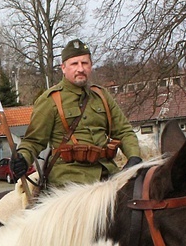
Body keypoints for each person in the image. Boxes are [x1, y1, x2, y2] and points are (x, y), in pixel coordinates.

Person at [10, 39, 141, 186]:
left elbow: (124, 131)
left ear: (90, 66)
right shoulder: (51, 100)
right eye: (74, 64)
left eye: (84, 63)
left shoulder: (101, 96)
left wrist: (134, 157)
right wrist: (23, 158)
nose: (80, 69)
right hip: (69, 181)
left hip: (108, 174)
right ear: (63, 68)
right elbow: (33, 141)